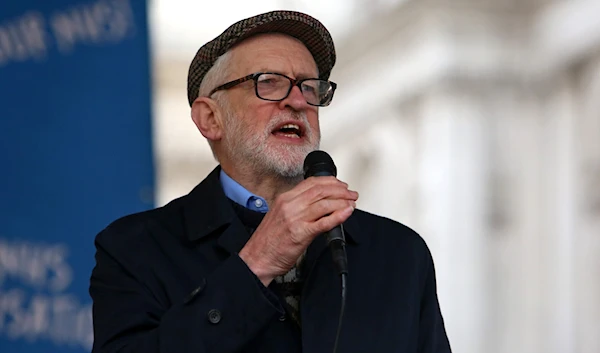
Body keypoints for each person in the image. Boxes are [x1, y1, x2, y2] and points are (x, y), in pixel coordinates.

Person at [89, 10, 452, 353]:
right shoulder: (134, 250)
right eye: (269, 82)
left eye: (310, 88)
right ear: (210, 119)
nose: (298, 101)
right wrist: (256, 263)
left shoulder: (400, 254)